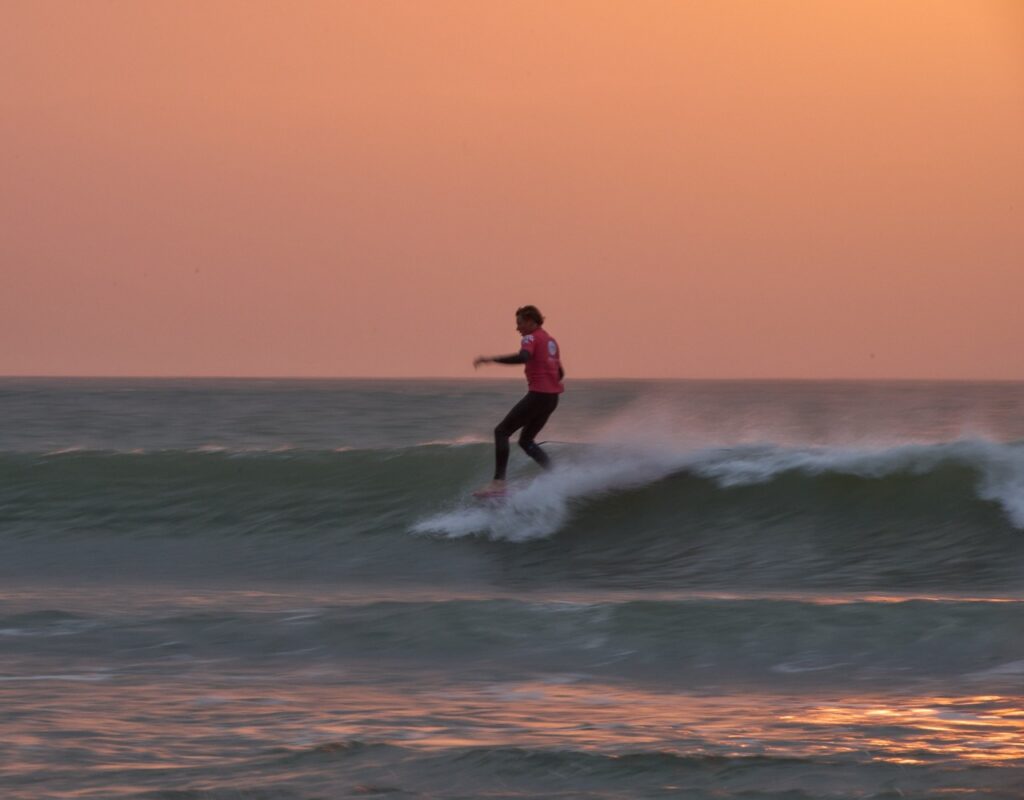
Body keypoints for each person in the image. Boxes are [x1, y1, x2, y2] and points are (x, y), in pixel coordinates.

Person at [473, 305, 564, 496]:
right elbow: (560, 372)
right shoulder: (550, 341)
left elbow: (524, 356)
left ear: (531, 321)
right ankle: (557, 474)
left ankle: (498, 483)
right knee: (526, 441)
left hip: (538, 395)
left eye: (520, 323)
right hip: (552, 398)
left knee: (501, 431)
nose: (518, 328)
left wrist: (492, 359)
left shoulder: (530, 337)